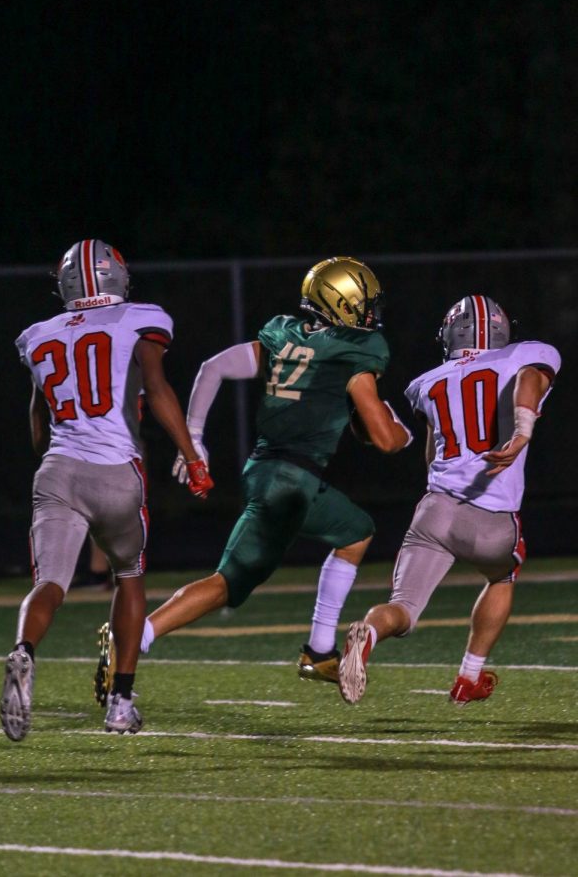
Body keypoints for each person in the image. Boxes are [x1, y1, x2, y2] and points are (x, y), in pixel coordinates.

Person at [96, 256, 413, 695]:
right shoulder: (358, 348)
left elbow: (213, 368)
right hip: (291, 482)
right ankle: (135, 637)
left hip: (267, 469)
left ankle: (319, 651)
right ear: (343, 301)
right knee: (228, 582)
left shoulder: (285, 334)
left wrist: (196, 437)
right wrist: (404, 433)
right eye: (364, 301)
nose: (371, 310)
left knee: (356, 531)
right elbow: (383, 438)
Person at [0, 239, 213, 741]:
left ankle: (23, 651)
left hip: (57, 470)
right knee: (129, 577)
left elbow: (37, 425)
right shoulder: (141, 317)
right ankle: (120, 702)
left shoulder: (37, 335)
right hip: (117, 469)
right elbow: (157, 388)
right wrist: (191, 454)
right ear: (117, 275)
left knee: (49, 583)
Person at [338, 294, 561, 706]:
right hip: (492, 515)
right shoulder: (527, 354)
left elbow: (431, 455)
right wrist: (523, 430)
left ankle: (367, 634)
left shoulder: (426, 382)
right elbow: (531, 378)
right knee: (501, 576)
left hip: (435, 511)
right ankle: (468, 677)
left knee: (402, 609)